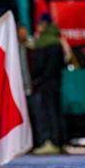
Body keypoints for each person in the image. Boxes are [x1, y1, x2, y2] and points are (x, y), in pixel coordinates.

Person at [30, 14, 65, 154]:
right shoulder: (57, 41)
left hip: (44, 83)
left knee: (46, 112)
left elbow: (39, 65)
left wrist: (36, 77)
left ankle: (50, 142)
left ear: (44, 25)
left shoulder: (43, 42)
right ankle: (59, 141)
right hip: (56, 82)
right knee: (56, 111)